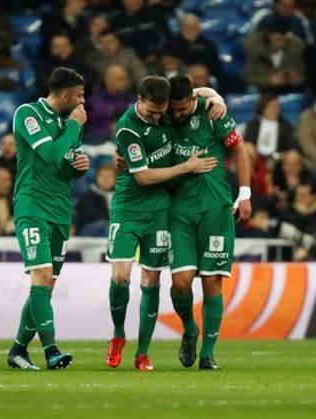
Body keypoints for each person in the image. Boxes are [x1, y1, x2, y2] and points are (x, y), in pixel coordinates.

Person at [106, 76, 221, 371]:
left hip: (161, 209)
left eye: (161, 111)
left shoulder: (170, 108)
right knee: (120, 277)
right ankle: (118, 335)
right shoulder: (128, 127)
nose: (159, 117)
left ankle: (143, 353)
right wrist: (186, 167)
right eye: (152, 111)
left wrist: (217, 97)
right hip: (129, 207)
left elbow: (197, 92)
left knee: (152, 279)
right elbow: (143, 178)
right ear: (140, 98)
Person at [6, 67, 90, 371]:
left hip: (59, 209)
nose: (83, 102)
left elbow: (63, 164)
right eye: (80, 95)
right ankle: (51, 350)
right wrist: (72, 128)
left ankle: (17, 350)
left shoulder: (70, 123)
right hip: (32, 206)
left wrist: (78, 166)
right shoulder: (28, 114)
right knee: (40, 274)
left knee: (46, 284)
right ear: (65, 94)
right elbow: (52, 154)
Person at [166, 75, 252, 370]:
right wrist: (212, 91)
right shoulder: (162, 112)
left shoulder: (213, 113)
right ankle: (189, 328)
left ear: (192, 99)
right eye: (172, 109)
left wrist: (245, 194)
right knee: (181, 283)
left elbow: (240, 150)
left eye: (181, 108)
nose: (176, 114)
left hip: (216, 208)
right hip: (178, 211)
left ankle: (208, 353)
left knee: (212, 283)